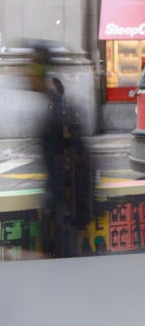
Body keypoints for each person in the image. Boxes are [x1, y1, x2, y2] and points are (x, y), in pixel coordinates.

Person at [27, 45, 94, 258]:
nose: (26, 73)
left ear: (40, 72)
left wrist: (53, 215)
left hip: (63, 218)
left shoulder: (57, 112)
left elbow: (63, 172)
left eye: (31, 66)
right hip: (63, 214)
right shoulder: (54, 104)